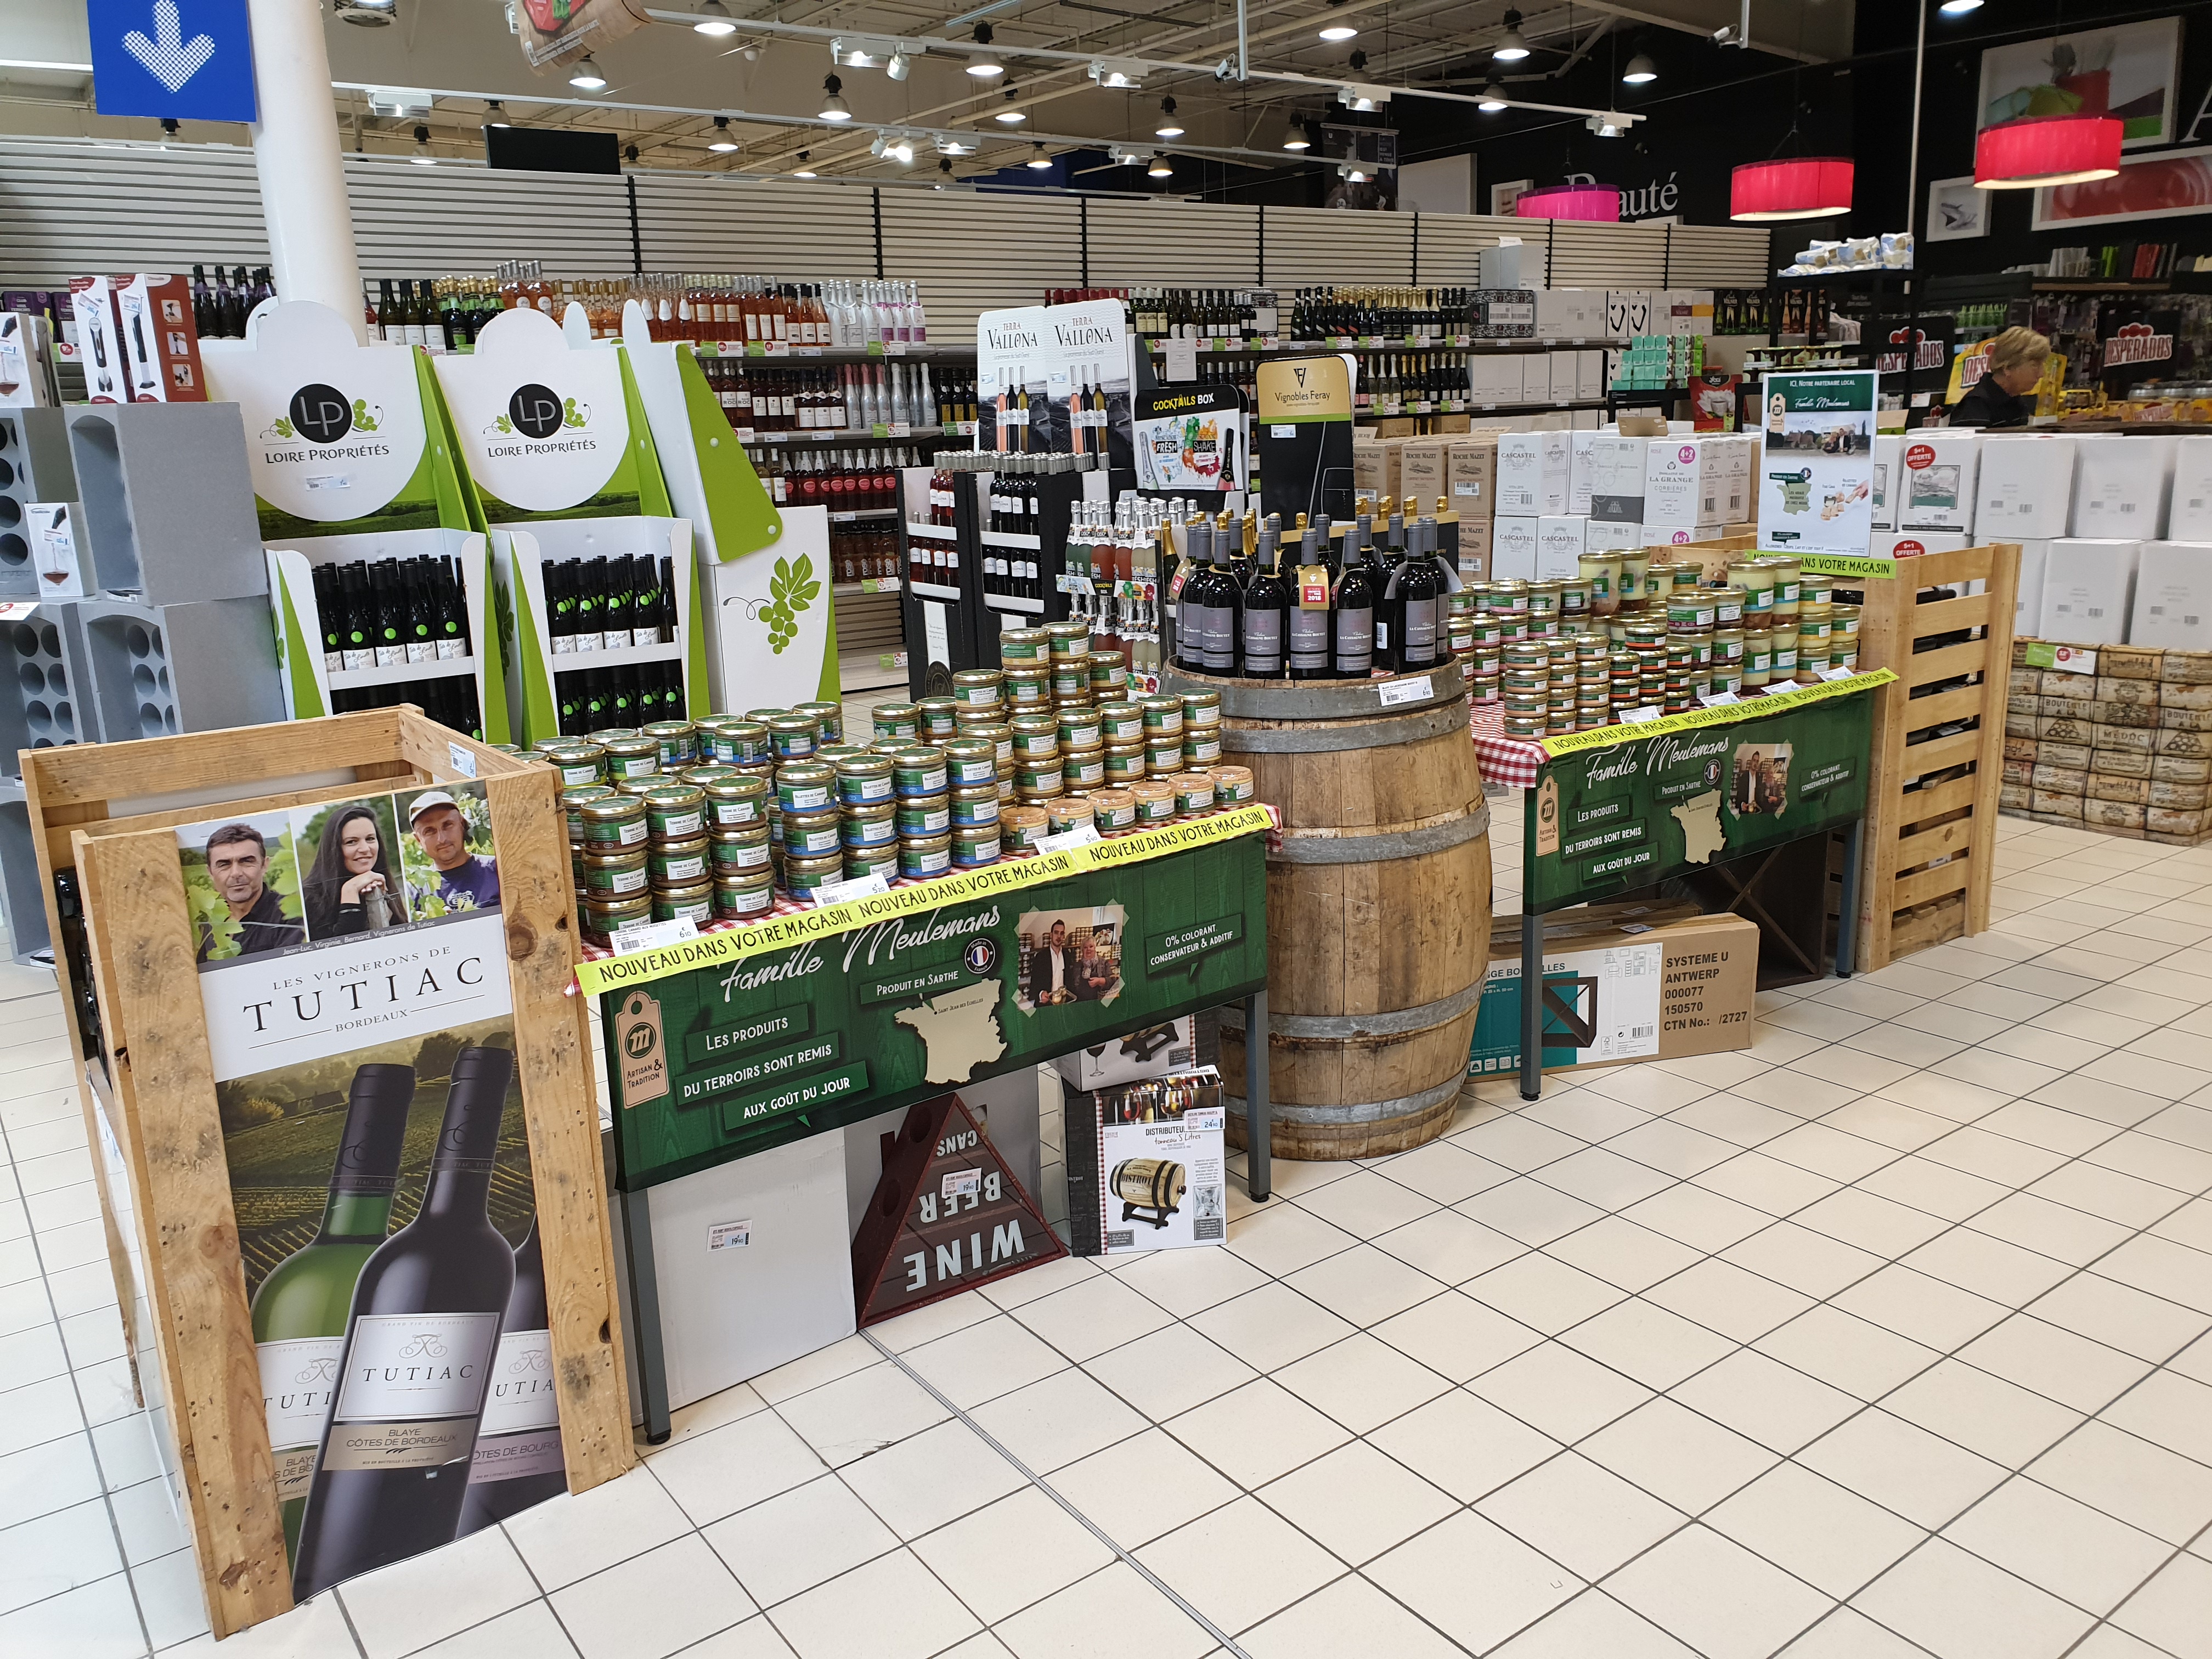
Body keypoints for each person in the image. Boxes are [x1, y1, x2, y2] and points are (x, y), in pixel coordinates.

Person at [195, 823, 304, 962]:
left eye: (246, 861)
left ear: (264, 866)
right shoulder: (211, 924)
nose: (236, 873)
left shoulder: (290, 916)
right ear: (210, 872)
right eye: (224, 864)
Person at [301, 804, 409, 939]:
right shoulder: (309, 899)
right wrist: (350, 891)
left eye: (370, 839)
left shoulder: (383, 885)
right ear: (334, 848)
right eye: (352, 842)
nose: (365, 849)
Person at [408, 791, 500, 912]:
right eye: (429, 831)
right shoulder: (415, 892)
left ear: (462, 824)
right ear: (419, 839)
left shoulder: (498, 870)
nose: (442, 839)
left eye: (448, 825)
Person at [1947, 327, 2051, 428]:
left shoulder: (2017, 403)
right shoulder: (1975, 406)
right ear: (2007, 368)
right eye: (2035, 365)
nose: (2041, 374)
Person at [1026, 918, 1075, 1005]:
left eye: (1062, 933)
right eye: (1056, 933)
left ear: (1064, 936)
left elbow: (1070, 981)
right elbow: (1034, 985)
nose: (1059, 936)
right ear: (1051, 935)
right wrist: (1041, 994)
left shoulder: (1068, 956)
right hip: (1046, 1004)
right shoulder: (1041, 957)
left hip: (1063, 1002)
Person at [1075, 936, 1115, 1001]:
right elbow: (1074, 986)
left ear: (1095, 948)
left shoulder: (1103, 963)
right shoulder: (1078, 965)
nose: (1088, 949)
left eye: (1091, 946)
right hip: (1081, 1002)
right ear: (1082, 950)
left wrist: (1100, 981)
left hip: (1098, 1002)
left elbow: (1113, 981)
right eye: (1085, 947)